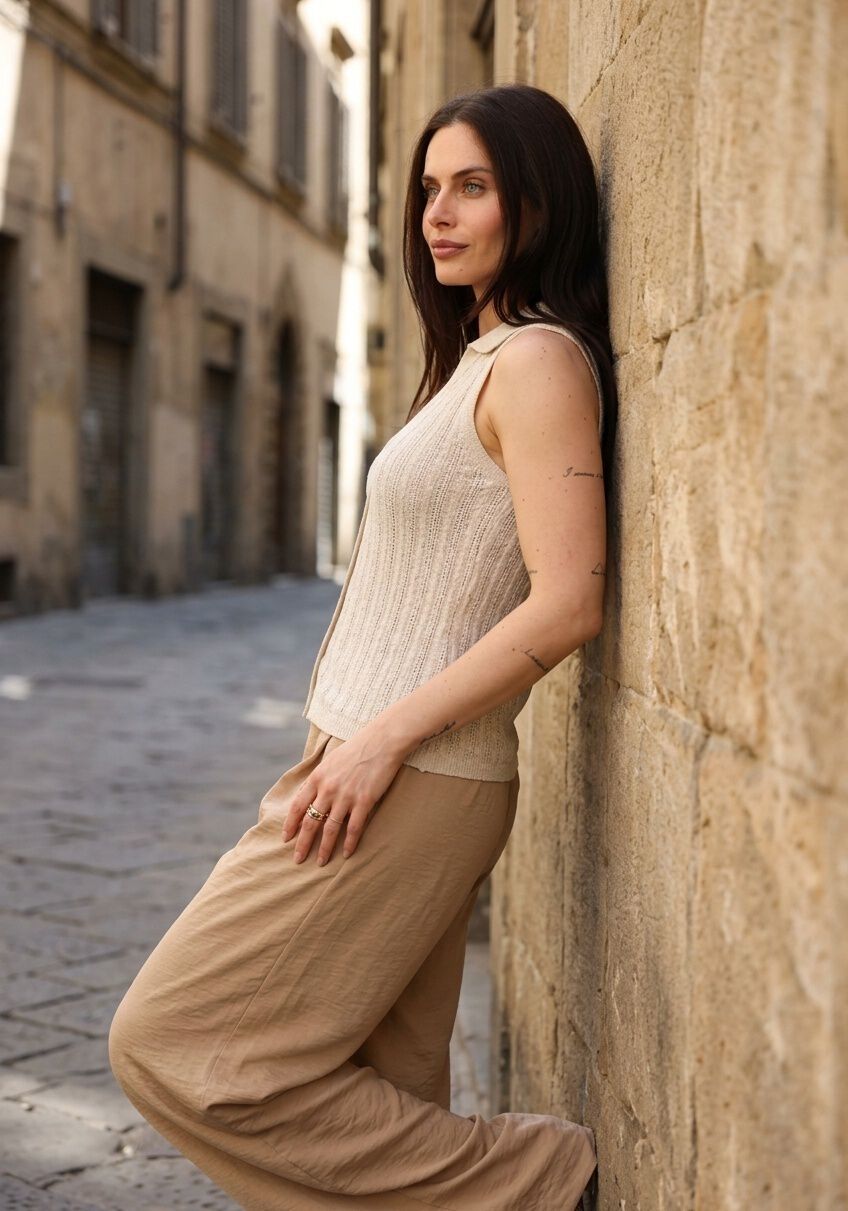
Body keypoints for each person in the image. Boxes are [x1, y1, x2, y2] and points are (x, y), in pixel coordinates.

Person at [108, 82, 617, 1211]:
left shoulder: (538, 362)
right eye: (429, 188)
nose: (437, 213)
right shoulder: (479, 358)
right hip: (377, 759)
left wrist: (381, 741)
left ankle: (544, 1178)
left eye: (472, 186)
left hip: (413, 768)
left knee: (169, 1038)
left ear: (538, 203)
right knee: (382, 1083)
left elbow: (569, 601)